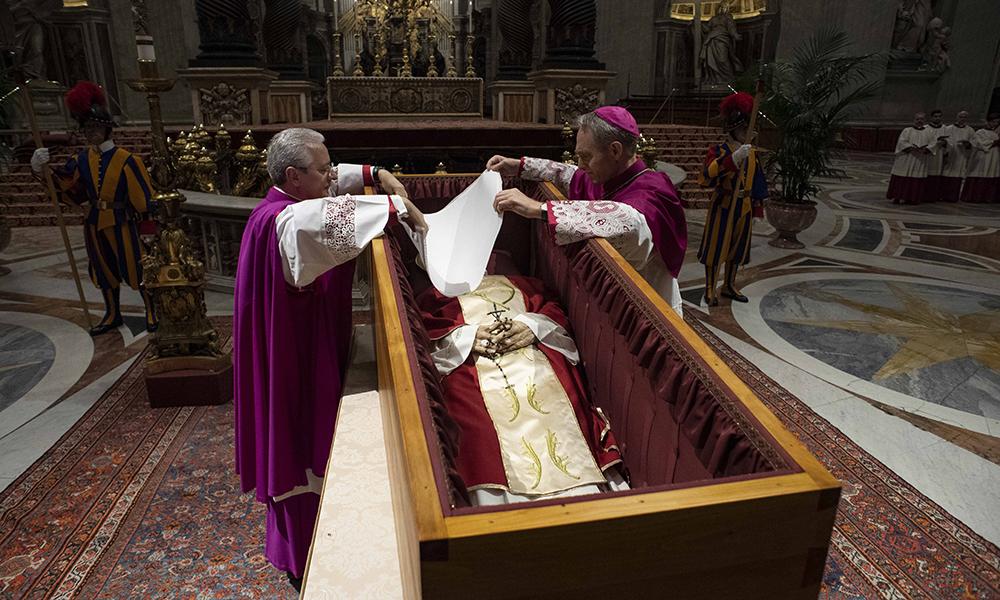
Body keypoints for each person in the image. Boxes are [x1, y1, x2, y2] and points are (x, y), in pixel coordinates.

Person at [232, 127, 426, 592]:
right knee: (300, 446)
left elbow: (338, 182)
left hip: (298, 343)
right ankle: (307, 558)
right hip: (294, 361)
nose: (332, 176)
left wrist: (378, 174)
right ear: (294, 177)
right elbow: (346, 219)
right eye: (322, 170)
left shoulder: (290, 200)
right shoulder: (289, 222)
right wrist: (401, 208)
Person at [419, 274, 626, 506]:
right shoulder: (435, 295)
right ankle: (499, 506)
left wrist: (530, 326)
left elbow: (553, 312)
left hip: (535, 363)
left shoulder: (524, 283)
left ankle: (584, 497)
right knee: (478, 425)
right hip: (474, 370)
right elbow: (427, 335)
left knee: (555, 407)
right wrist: (468, 337)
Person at [485, 106, 687, 316]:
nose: (581, 165)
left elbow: (630, 222)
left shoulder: (653, 189)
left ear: (615, 150)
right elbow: (569, 174)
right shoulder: (611, 175)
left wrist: (540, 209)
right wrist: (520, 166)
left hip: (648, 310)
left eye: (586, 156)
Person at [31, 81, 157, 335]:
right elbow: (69, 189)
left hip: (123, 222)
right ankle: (112, 313)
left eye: (97, 127)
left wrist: (148, 229)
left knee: (137, 267)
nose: (92, 132)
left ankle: (152, 311)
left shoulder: (127, 161)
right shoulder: (80, 161)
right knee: (103, 269)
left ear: (107, 128)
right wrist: (40, 169)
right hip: (94, 222)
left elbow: (144, 199)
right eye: (88, 127)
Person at [697, 92, 768, 307]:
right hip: (724, 205)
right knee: (716, 247)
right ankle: (710, 287)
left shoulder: (752, 153)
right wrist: (733, 160)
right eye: (743, 129)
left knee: (737, 249)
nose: (747, 133)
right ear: (733, 128)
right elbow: (706, 176)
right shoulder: (718, 151)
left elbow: (758, 182)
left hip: (744, 206)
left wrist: (757, 210)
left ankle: (729, 284)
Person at [887, 112, 937, 205]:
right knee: (902, 176)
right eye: (917, 119)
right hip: (906, 158)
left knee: (916, 178)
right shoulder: (907, 130)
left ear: (925, 121)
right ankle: (897, 196)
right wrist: (911, 147)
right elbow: (901, 142)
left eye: (921, 119)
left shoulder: (929, 132)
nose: (919, 121)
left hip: (920, 159)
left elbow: (933, 144)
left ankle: (912, 198)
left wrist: (926, 149)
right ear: (914, 120)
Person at [960, 114, 1000, 204]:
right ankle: (973, 197)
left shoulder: (995, 133)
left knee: (991, 175)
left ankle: (986, 198)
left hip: (993, 157)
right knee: (980, 174)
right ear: (988, 121)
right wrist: (994, 142)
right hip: (983, 157)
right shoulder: (980, 132)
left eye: (997, 122)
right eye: (993, 121)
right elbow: (980, 144)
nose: (995, 124)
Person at [942, 110, 975, 202]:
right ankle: (943, 195)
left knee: (957, 176)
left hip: (962, 155)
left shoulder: (970, 130)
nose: (962, 119)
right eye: (961, 117)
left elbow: (974, 142)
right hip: (951, 154)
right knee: (947, 174)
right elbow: (945, 140)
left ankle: (953, 197)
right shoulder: (949, 128)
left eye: (964, 117)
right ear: (957, 117)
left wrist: (968, 144)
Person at [925, 109, 949, 202]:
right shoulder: (925, 128)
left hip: (939, 155)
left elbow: (950, 143)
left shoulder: (944, 128)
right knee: (926, 174)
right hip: (928, 155)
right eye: (935, 116)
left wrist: (945, 143)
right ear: (931, 117)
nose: (937, 118)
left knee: (936, 176)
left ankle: (932, 196)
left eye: (939, 116)